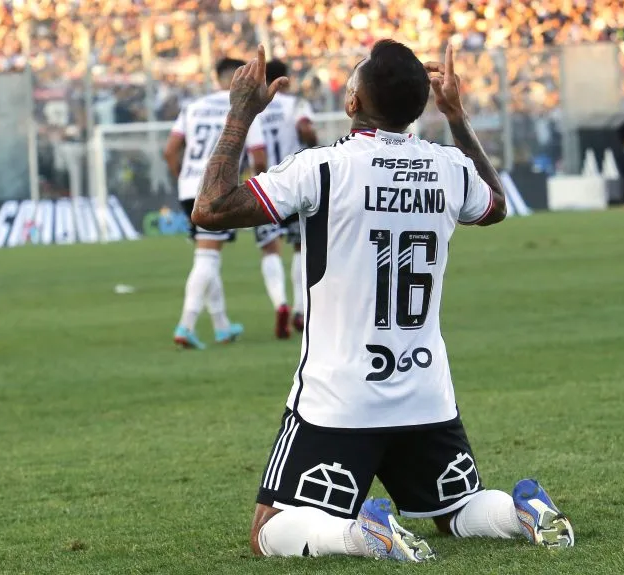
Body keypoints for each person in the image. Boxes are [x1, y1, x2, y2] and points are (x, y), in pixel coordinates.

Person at [191, 42, 574, 562]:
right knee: (455, 510)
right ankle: (517, 513)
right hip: (425, 391)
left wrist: (240, 110)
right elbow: (496, 205)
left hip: (341, 397)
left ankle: (361, 535)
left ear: (352, 103)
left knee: (267, 530)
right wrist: (457, 117)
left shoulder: (323, 168)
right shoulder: (449, 168)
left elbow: (211, 207)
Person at [164, 58, 267, 349]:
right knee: (207, 258)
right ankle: (186, 325)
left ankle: (222, 326)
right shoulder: (244, 108)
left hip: (188, 187)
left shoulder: (193, 107)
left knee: (209, 255)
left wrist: (183, 178)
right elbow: (259, 157)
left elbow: (170, 150)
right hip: (217, 188)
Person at [257, 59, 319, 334]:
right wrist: (313, 145)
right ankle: (300, 310)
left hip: (263, 184)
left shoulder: (256, 108)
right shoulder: (296, 104)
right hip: (295, 182)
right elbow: (305, 129)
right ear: (286, 78)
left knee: (270, 248)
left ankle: (280, 303)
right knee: (300, 247)